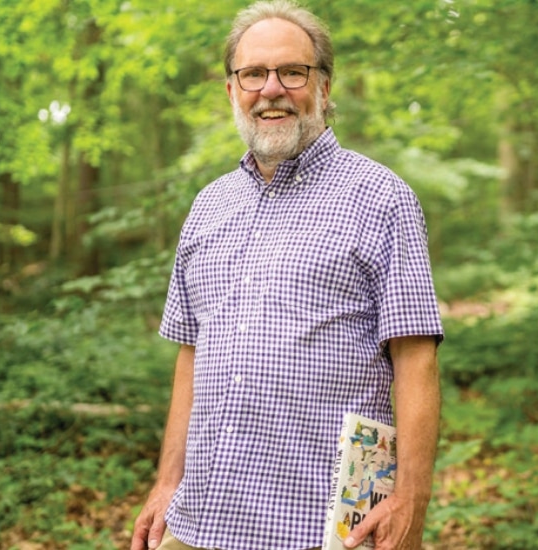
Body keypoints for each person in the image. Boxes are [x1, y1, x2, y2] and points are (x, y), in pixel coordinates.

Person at [130, 1, 443, 549]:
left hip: (330, 525)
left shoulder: (381, 197)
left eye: (292, 72)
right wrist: (166, 482)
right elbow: (192, 354)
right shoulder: (208, 206)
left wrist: (410, 498)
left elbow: (416, 358)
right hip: (201, 517)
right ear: (231, 89)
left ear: (323, 86)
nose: (271, 89)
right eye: (252, 73)